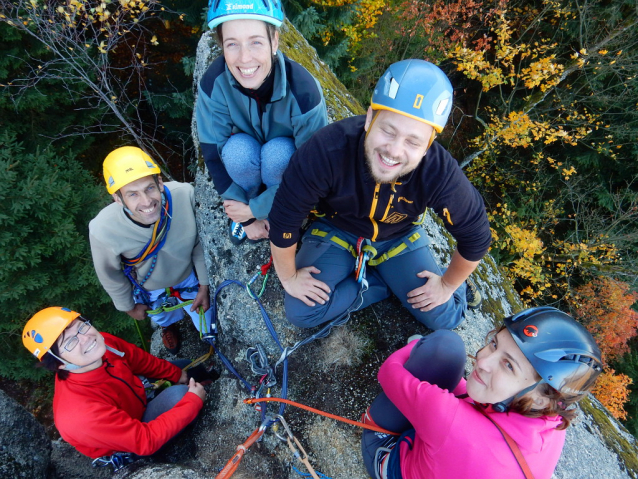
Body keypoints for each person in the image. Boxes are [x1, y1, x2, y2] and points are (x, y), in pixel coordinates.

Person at [268, 59, 491, 330]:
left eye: (413, 141)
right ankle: (381, 284)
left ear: (428, 144)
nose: (394, 151)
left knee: (446, 319)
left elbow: (477, 237)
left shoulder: (439, 173)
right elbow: (284, 219)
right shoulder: (328, 150)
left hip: (398, 238)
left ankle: (451, 289)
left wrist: (448, 284)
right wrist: (289, 278)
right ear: (371, 117)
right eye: (388, 130)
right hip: (336, 229)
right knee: (301, 311)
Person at [360, 306, 603, 479]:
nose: (483, 359)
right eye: (494, 344)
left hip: (392, 461)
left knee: (444, 347)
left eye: (508, 365)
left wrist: (416, 346)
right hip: (452, 450)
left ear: (542, 396)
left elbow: (389, 372)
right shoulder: (553, 424)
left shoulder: (450, 418)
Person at [196, 0, 328, 244]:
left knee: (279, 154)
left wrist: (255, 210)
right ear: (222, 47)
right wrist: (246, 217)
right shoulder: (214, 84)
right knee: (236, 152)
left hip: (286, 171)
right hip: (248, 163)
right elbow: (213, 153)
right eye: (232, 44)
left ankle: (280, 213)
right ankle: (250, 198)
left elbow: (313, 173)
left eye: (255, 42)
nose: (244, 58)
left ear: (274, 41)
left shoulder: (304, 93)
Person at [21, 307, 211, 466]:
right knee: (180, 395)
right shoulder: (78, 414)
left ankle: (201, 381)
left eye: (80, 327)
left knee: (184, 366)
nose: (85, 338)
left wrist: (180, 375)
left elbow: (138, 360)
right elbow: (145, 440)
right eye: (69, 342)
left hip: (137, 399)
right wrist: (192, 402)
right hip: (132, 443)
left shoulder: (102, 343)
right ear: (58, 363)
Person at [89, 146, 211, 354]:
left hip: (188, 276)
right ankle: (168, 325)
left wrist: (204, 286)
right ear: (118, 199)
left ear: (160, 183)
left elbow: (200, 244)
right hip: (149, 287)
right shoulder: (104, 229)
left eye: (149, 188)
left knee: (208, 327)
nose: (146, 202)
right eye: (133, 194)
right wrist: (129, 307)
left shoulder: (184, 196)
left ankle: (207, 339)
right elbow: (110, 274)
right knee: (162, 315)